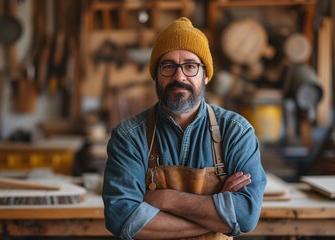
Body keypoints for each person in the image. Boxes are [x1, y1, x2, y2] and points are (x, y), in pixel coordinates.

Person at [102, 17, 266, 240]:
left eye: (190, 66)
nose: (179, 77)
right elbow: (122, 219)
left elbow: (245, 216)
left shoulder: (236, 132)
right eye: (168, 66)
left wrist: (166, 199)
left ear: (206, 75)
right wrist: (219, 217)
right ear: (156, 76)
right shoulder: (129, 137)